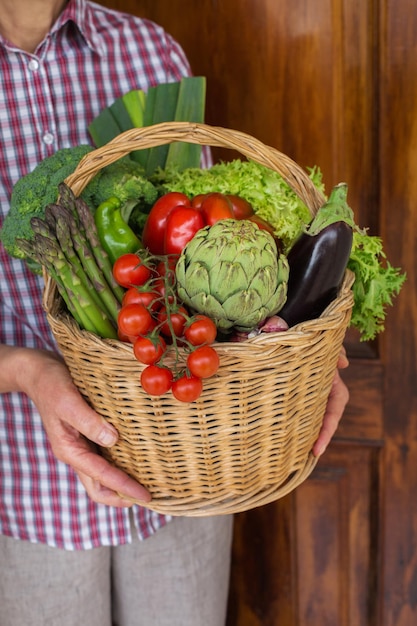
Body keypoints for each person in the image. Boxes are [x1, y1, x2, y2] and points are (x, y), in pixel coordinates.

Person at [0, 1, 350, 624]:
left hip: (190, 454)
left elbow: (215, 264)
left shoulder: (149, 51)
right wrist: (27, 370)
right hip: (26, 482)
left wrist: (305, 346)